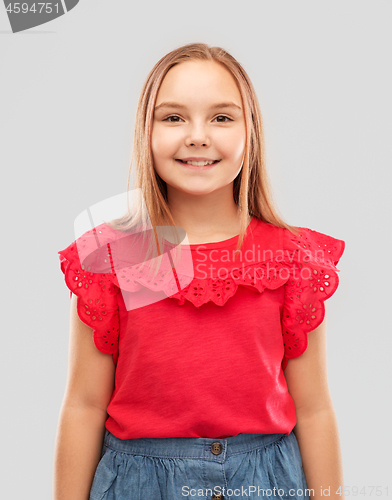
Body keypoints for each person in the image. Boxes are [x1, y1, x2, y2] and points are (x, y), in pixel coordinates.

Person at [53, 43, 346, 500]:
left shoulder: (293, 257)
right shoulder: (109, 257)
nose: (197, 136)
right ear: (144, 132)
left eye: (222, 118)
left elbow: (313, 410)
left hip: (266, 482)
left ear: (252, 132)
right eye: (173, 118)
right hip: (139, 483)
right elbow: (84, 405)